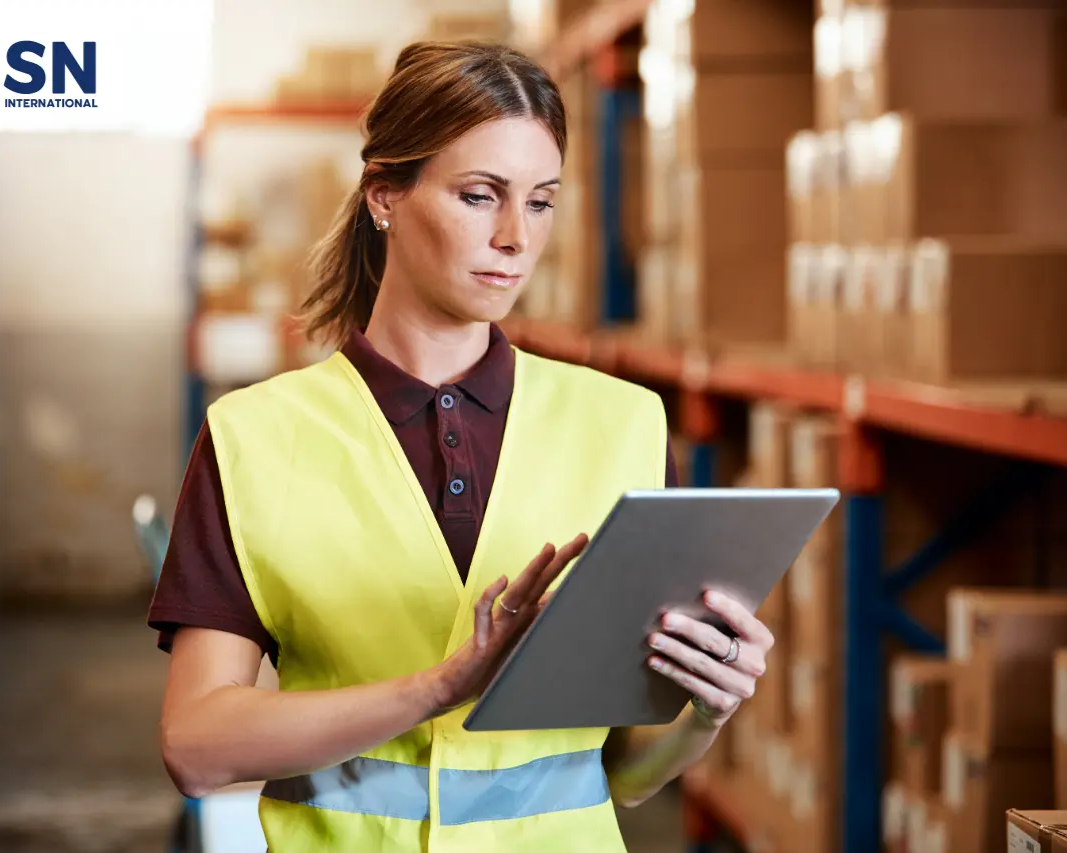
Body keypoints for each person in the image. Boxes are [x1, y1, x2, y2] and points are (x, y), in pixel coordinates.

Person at [148, 39, 775, 852]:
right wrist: (437, 688)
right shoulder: (255, 439)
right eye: (482, 195)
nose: (517, 236)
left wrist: (706, 712)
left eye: (542, 201)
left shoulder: (623, 424)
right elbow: (194, 746)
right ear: (384, 196)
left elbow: (619, 770)